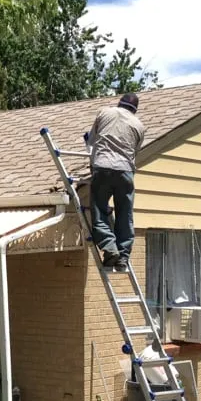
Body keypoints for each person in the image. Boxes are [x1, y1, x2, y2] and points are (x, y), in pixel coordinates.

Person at [88, 92, 145, 272]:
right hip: (126, 172)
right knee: (125, 214)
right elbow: (135, 152)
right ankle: (123, 257)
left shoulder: (104, 112)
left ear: (119, 103)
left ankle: (110, 248)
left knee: (99, 210)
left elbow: (90, 141)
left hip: (102, 167)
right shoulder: (139, 125)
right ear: (135, 109)